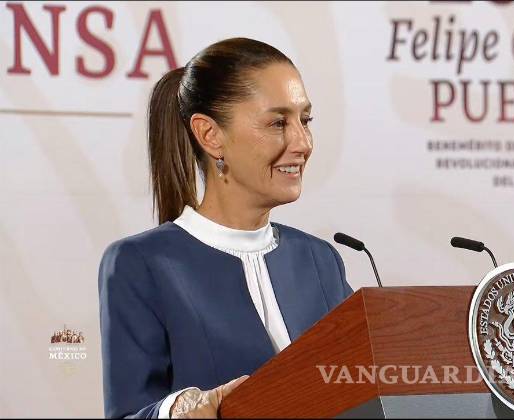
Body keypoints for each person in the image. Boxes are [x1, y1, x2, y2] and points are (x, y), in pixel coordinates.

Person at [98, 37, 353, 419]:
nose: (303, 142)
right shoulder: (140, 264)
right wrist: (179, 410)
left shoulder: (320, 260)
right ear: (210, 135)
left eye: (305, 120)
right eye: (278, 122)